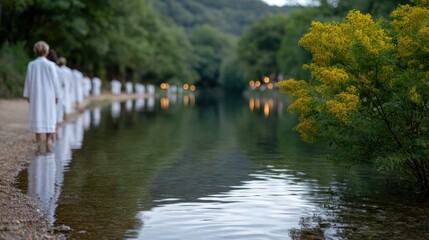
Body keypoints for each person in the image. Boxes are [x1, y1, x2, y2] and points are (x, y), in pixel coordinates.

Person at [23, 41, 62, 152]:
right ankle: (48, 140)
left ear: (35, 51)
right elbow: (55, 81)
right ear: (46, 51)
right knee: (49, 115)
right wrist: (57, 94)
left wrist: (28, 95)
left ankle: (39, 141)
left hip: (36, 94)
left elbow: (28, 81)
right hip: (49, 94)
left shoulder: (31, 65)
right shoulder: (51, 65)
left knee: (37, 114)